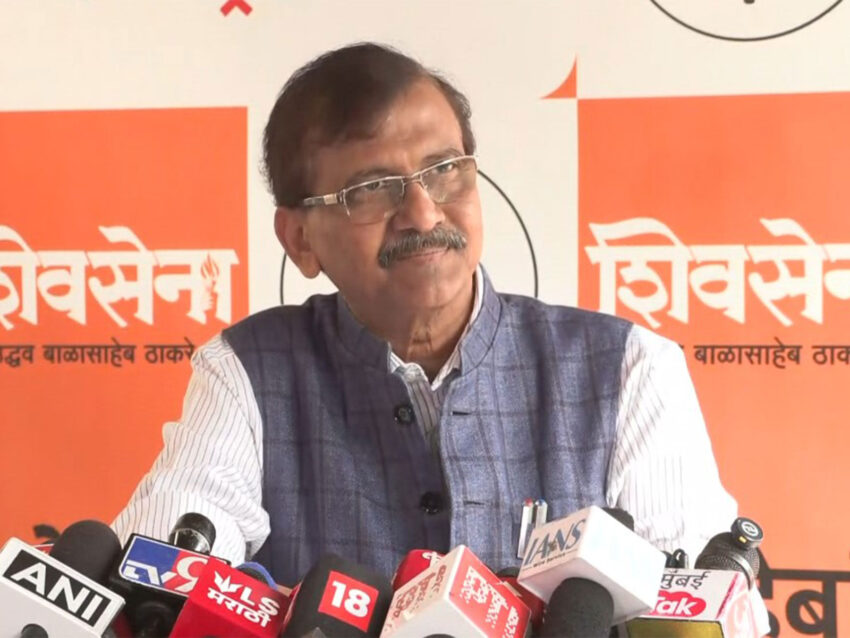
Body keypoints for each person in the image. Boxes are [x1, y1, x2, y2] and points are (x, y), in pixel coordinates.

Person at [112, 42, 737, 586]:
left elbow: (702, 607)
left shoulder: (627, 368)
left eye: (444, 171)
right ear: (300, 239)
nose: (423, 213)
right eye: (371, 189)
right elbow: (160, 570)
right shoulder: (248, 373)